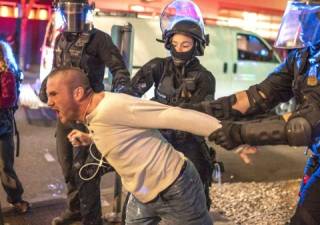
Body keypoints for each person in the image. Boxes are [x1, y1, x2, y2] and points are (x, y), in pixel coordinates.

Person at [184, 0, 320, 224]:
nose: (301, 20)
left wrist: (238, 133)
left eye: (310, 14)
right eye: (299, 13)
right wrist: (202, 110)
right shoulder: (306, 54)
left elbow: (304, 125)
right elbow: (259, 95)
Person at [44, 67, 228, 225]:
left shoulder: (114, 106)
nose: (49, 102)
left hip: (176, 189)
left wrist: (231, 137)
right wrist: (89, 138)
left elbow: (174, 115)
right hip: (142, 194)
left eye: (53, 94)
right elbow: (116, 131)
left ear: (77, 93)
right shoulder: (92, 112)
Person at [39, 0, 131, 224]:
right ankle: (75, 209)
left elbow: (118, 69)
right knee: (68, 165)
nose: (72, 15)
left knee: (85, 169)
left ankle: (92, 218)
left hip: (89, 113)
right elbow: (56, 70)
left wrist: (121, 91)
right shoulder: (61, 38)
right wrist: (45, 89)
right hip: (66, 114)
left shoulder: (99, 39)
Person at [130, 0, 215, 209]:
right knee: (141, 193)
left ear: (197, 46)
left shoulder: (205, 78)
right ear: (168, 43)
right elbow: (131, 93)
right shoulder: (157, 66)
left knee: (197, 189)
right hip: (156, 138)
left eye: (185, 45)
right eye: (175, 45)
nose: (179, 50)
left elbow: (200, 114)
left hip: (188, 142)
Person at [0, 40, 30, 213]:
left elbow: (7, 100)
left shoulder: (7, 74)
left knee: (5, 167)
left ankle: (16, 199)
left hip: (3, 128)